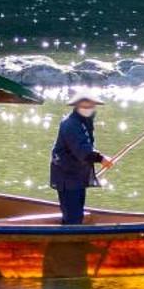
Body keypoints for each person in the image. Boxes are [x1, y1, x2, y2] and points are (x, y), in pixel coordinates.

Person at [49, 94, 106, 225]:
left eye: (91, 105)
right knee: (73, 217)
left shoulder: (85, 121)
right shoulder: (70, 124)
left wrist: (98, 158)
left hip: (77, 175)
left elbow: (86, 146)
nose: (88, 108)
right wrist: (101, 158)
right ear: (77, 106)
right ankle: (69, 241)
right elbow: (81, 150)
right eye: (84, 105)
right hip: (66, 176)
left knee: (77, 214)